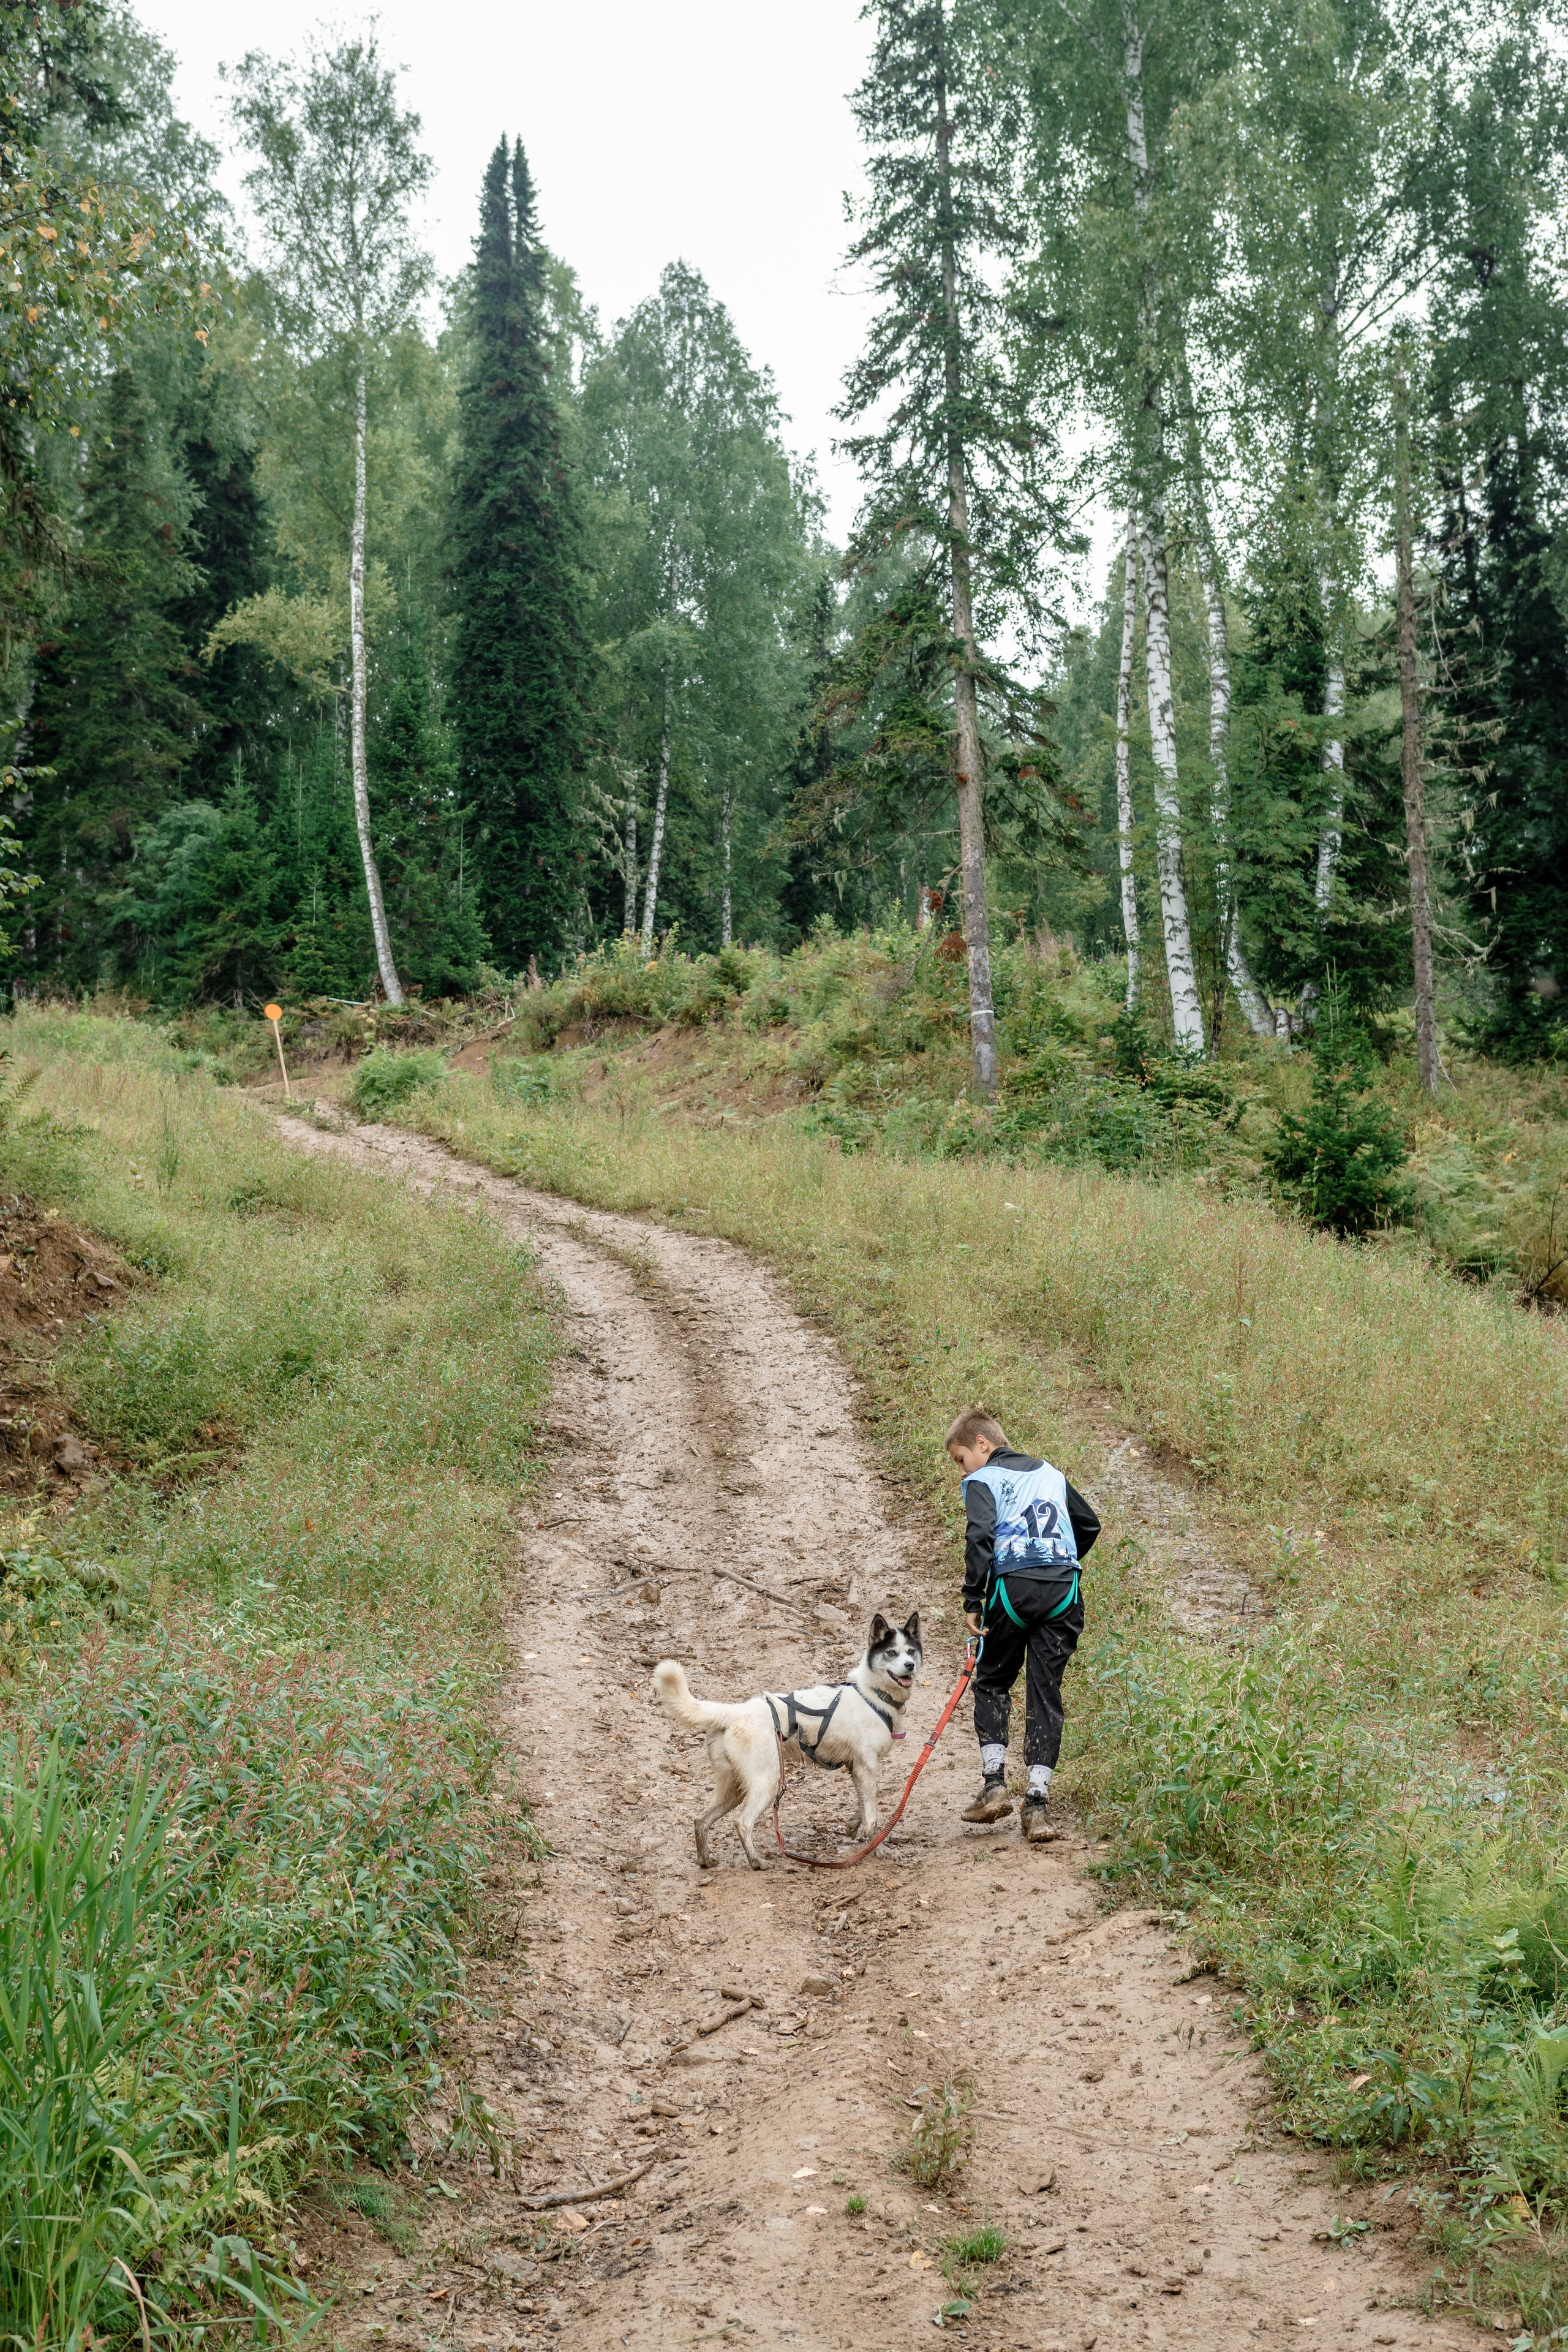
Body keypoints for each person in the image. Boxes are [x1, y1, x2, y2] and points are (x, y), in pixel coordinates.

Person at [946, 1408, 1099, 1844]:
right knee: (1045, 1691)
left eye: (960, 1458)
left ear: (982, 1444)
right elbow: (1088, 1525)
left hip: (1014, 1590)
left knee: (993, 1681)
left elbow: (980, 1535)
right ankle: (1038, 1806)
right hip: (1065, 1589)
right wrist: (1057, 1558)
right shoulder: (1051, 1472)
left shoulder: (982, 1480)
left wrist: (973, 1597)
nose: (960, 1470)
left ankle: (994, 1785)